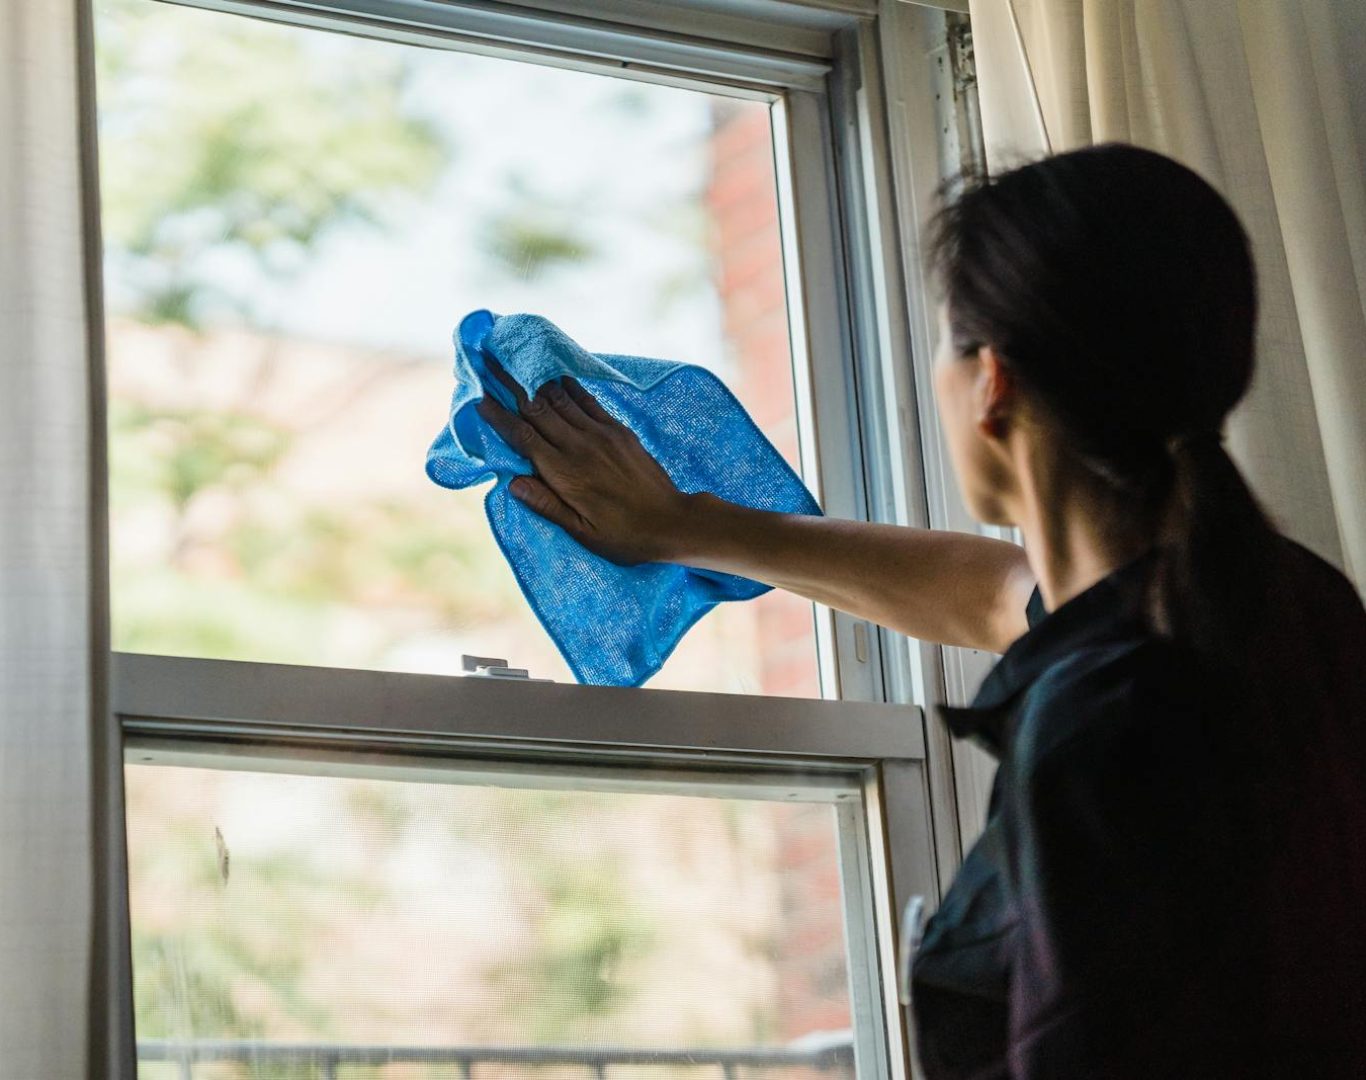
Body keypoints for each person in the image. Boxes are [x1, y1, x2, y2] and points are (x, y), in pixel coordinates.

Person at [476, 143, 1366, 1077]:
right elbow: (991, 592)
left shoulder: (1108, 727)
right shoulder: (1287, 608)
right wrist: (681, 526)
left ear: (992, 385)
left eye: (942, 343)